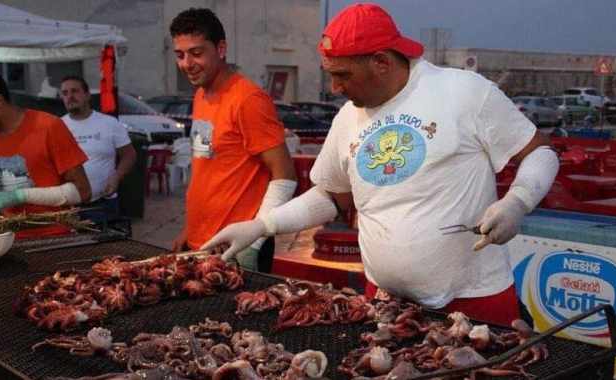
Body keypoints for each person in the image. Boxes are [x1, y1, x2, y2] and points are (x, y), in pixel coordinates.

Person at [204, 3, 559, 326]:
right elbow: (330, 197)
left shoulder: (463, 92)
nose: (334, 87)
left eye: (342, 75)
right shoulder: (347, 118)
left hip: (475, 299)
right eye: (330, 74)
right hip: (385, 303)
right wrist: (262, 225)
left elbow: (540, 153)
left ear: (382, 62)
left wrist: (517, 202)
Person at [168, 8, 297, 272]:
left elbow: (284, 176)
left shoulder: (248, 99)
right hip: (202, 243)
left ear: (221, 48)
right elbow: (209, 167)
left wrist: (255, 242)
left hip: (238, 248)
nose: (187, 64)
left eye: (196, 52)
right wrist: (190, 230)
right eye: (180, 55)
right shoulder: (201, 95)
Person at [0, 72, 91, 236]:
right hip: (7, 242)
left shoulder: (48, 126)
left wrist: (20, 196)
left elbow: (82, 192)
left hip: (53, 240)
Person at [59, 76, 136, 224]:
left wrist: (117, 177)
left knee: (105, 247)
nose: (70, 97)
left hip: (103, 204)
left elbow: (129, 155)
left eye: (75, 91)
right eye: (65, 93)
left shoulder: (110, 123)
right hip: (69, 205)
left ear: (87, 95)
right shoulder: (57, 127)